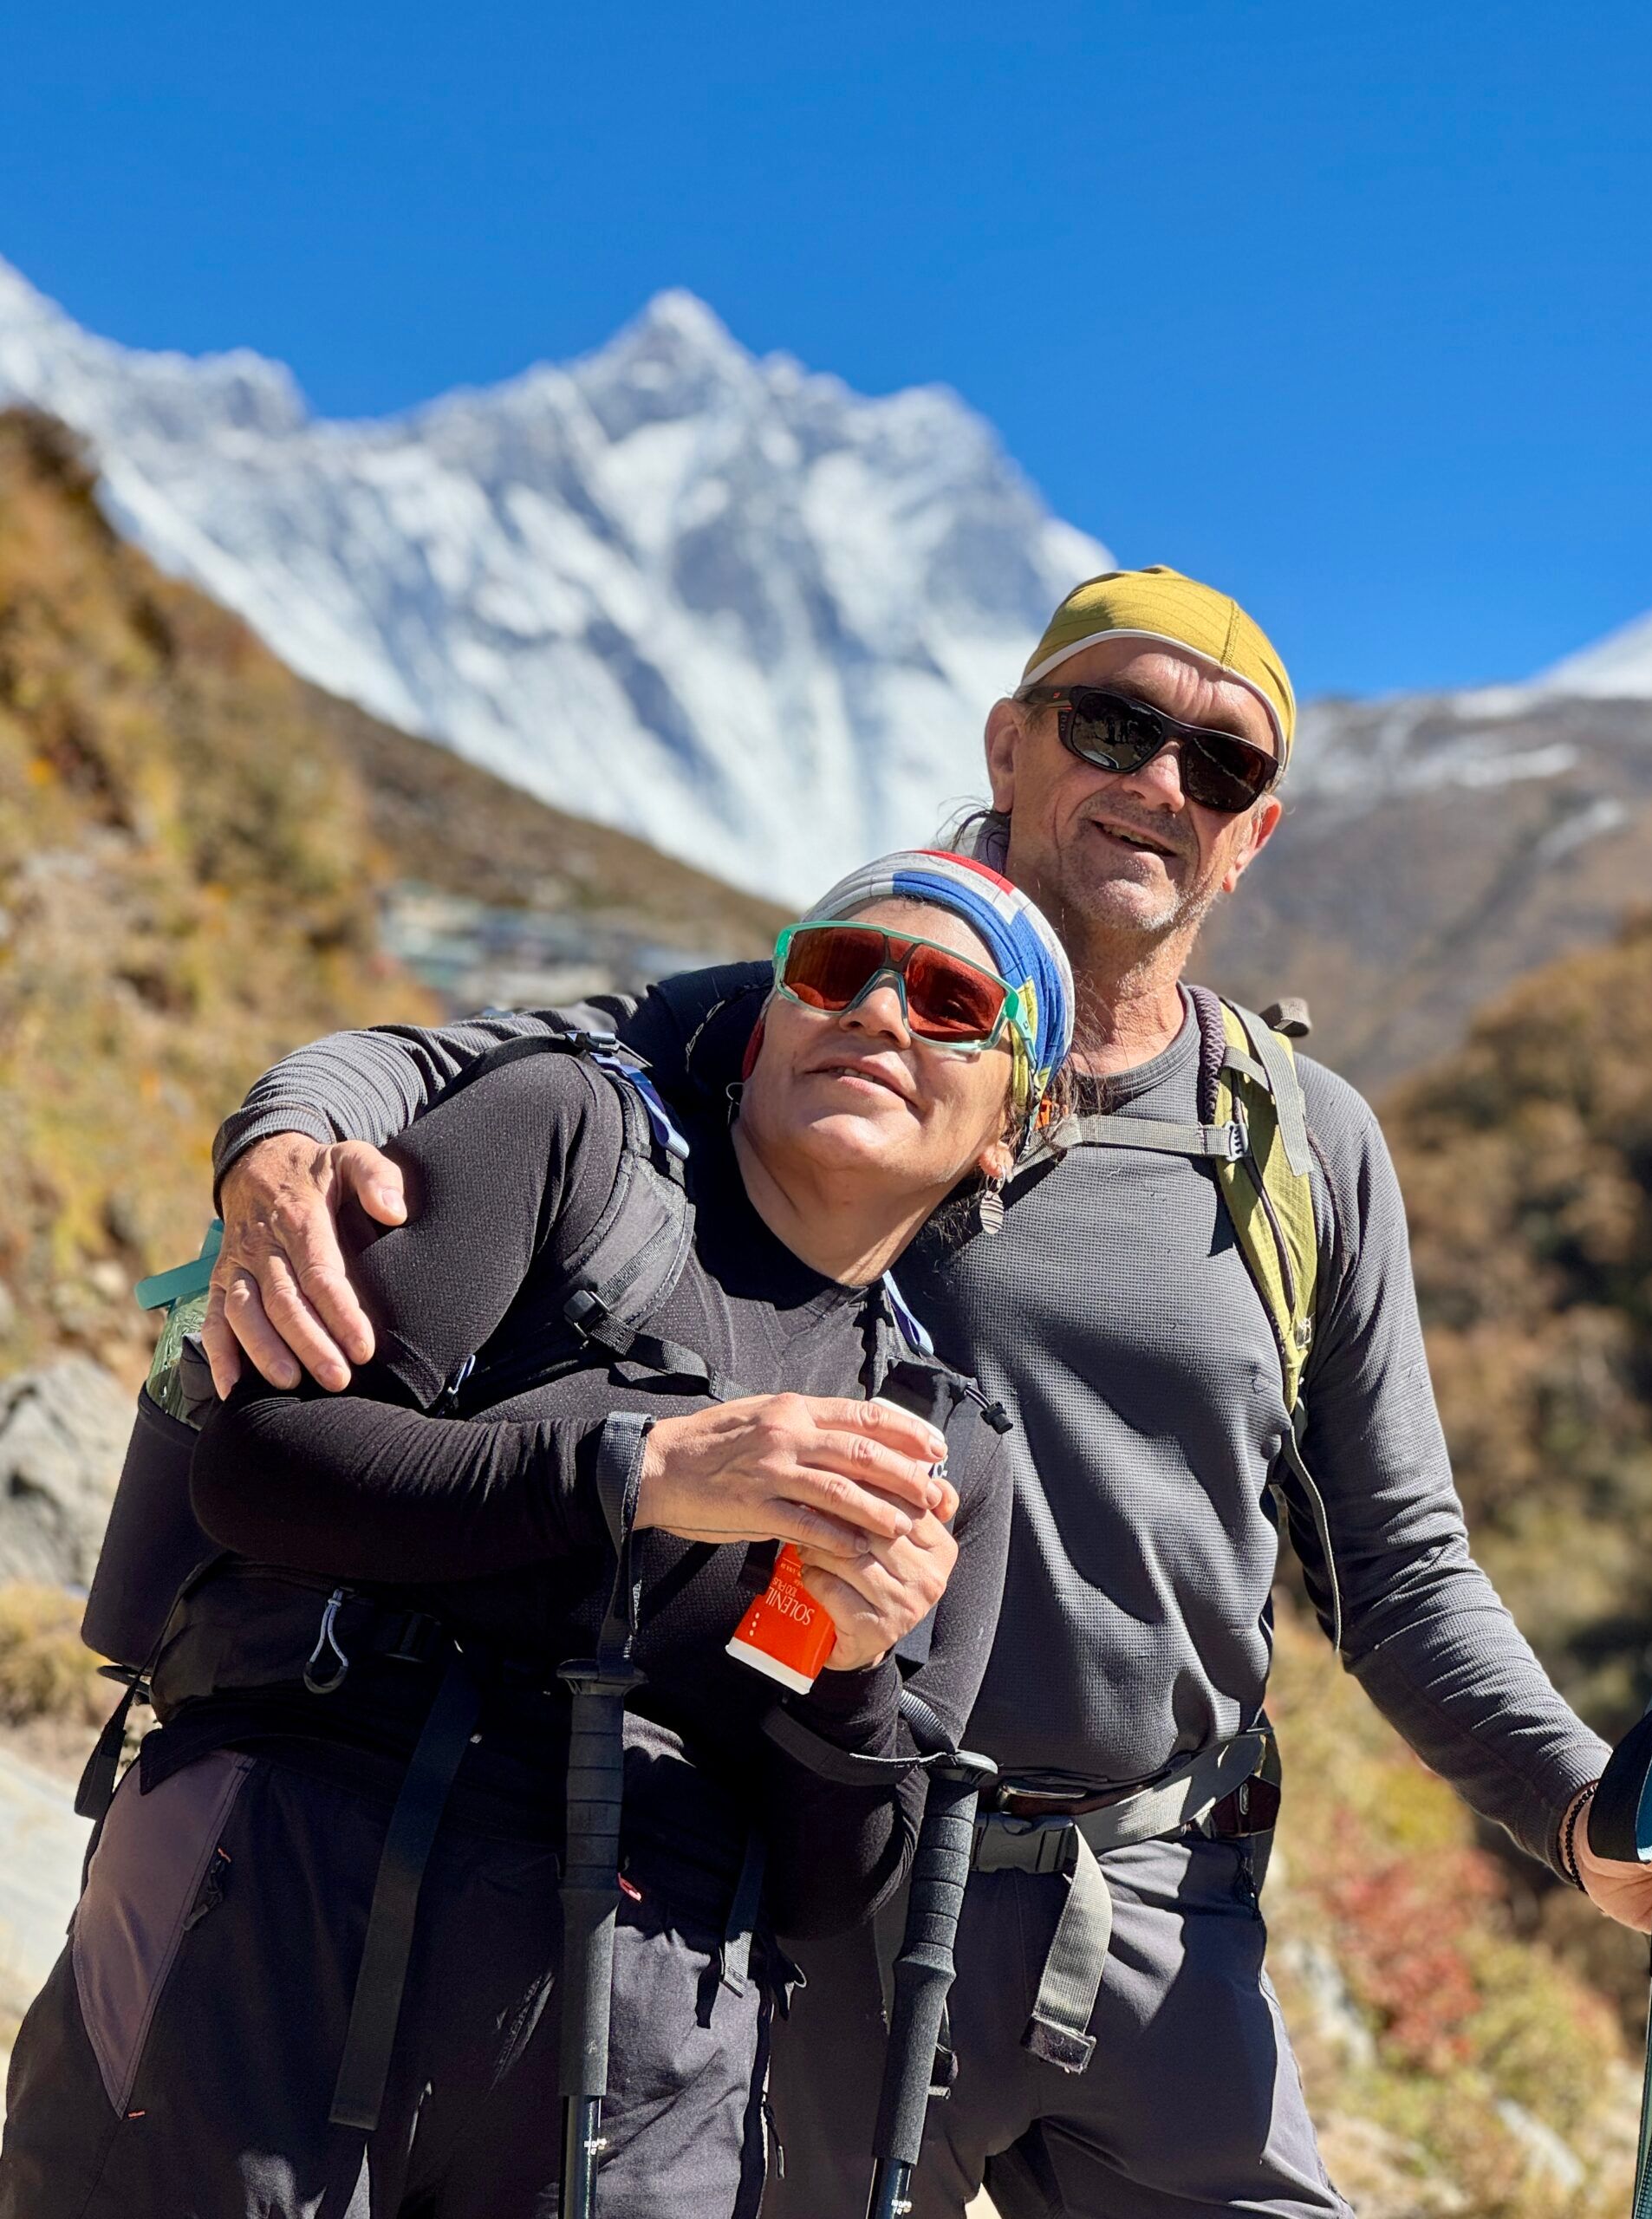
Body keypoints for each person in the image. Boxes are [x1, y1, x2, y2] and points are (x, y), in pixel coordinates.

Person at [188, 566, 1644, 2219]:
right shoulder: (824, 1020)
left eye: (1218, 767)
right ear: (1010, 746)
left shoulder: (1301, 1146)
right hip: (807, 1879)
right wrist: (283, 1140)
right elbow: (477, 1064)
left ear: (1256, 834)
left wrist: (1578, 1810)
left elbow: (1398, 1567)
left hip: (1162, 1903)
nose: (1160, 782)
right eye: (1114, 725)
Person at [2, 853, 1077, 2219]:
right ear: (761, 1031)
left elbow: (828, 1890)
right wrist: (645, 1471)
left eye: (947, 1000)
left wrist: (855, 1671)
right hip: (275, 1918)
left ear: (1007, 1126)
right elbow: (265, 1468)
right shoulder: (565, 1140)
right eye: (831, 973)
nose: (876, 1013)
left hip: (635, 2069)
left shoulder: (940, 1443)